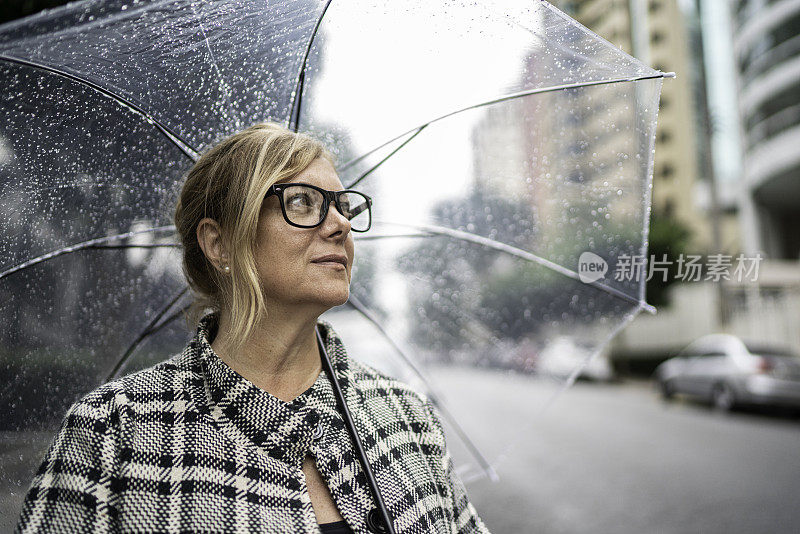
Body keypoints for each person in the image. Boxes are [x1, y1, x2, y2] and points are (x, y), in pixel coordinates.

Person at [15, 123, 490, 533]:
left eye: (345, 206)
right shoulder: (114, 431)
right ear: (218, 243)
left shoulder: (407, 420)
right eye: (303, 202)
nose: (340, 224)